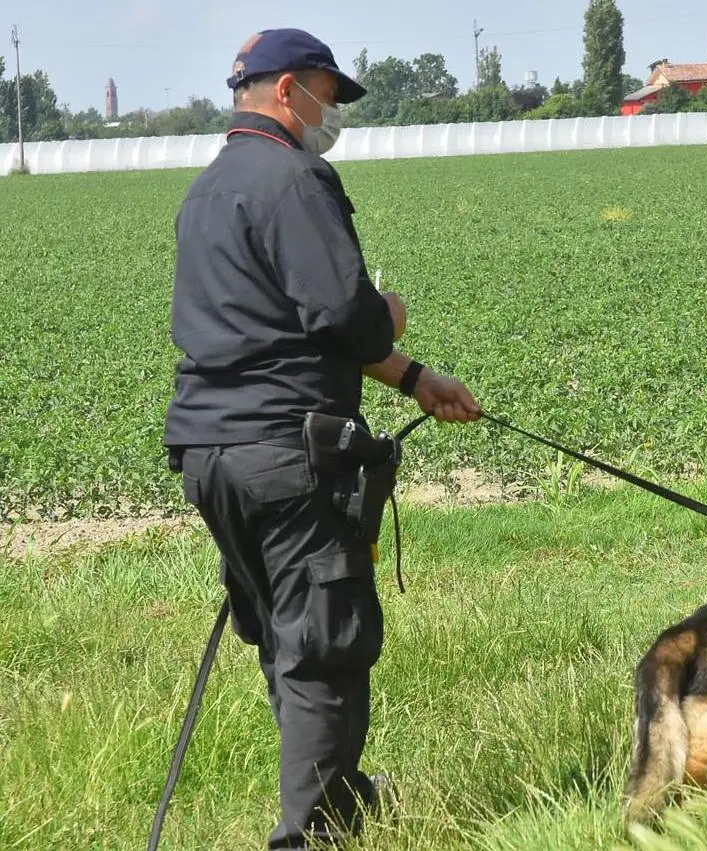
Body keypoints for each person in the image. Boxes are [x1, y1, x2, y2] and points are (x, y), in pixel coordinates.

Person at [162, 27, 481, 849]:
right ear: (285, 90)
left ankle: (342, 799)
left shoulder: (207, 190)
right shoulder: (297, 178)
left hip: (210, 453)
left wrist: (415, 378)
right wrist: (392, 318)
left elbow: (280, 333)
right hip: (287, 455)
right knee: (326, 646)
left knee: (287, 636)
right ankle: (312, 837)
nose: (331, 112)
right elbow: (341, 316)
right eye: (327, 95)